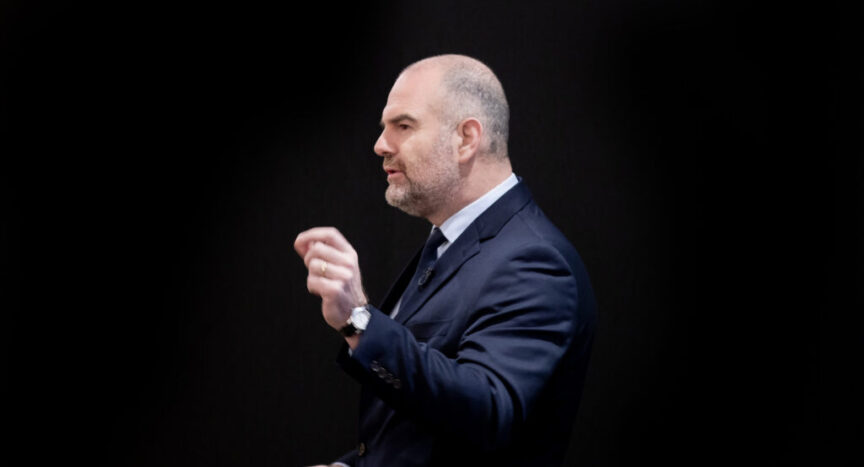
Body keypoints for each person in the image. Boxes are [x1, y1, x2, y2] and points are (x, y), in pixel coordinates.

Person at [294, 54, 596, 467]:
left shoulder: (536, 261)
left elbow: (486, 412)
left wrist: (358, 320)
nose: (380, 145)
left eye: (403, 126)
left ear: (466, 138)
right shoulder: (449, 241)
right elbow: (421, 432)